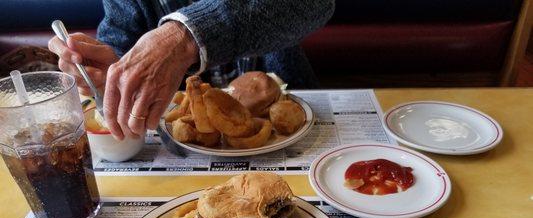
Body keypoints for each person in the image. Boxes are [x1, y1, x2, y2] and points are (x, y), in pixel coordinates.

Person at [48, 0, 334, 141]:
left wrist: (184, 36)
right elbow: (121, 38)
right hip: (177, 150)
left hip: (294, 130)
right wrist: (110, 70)